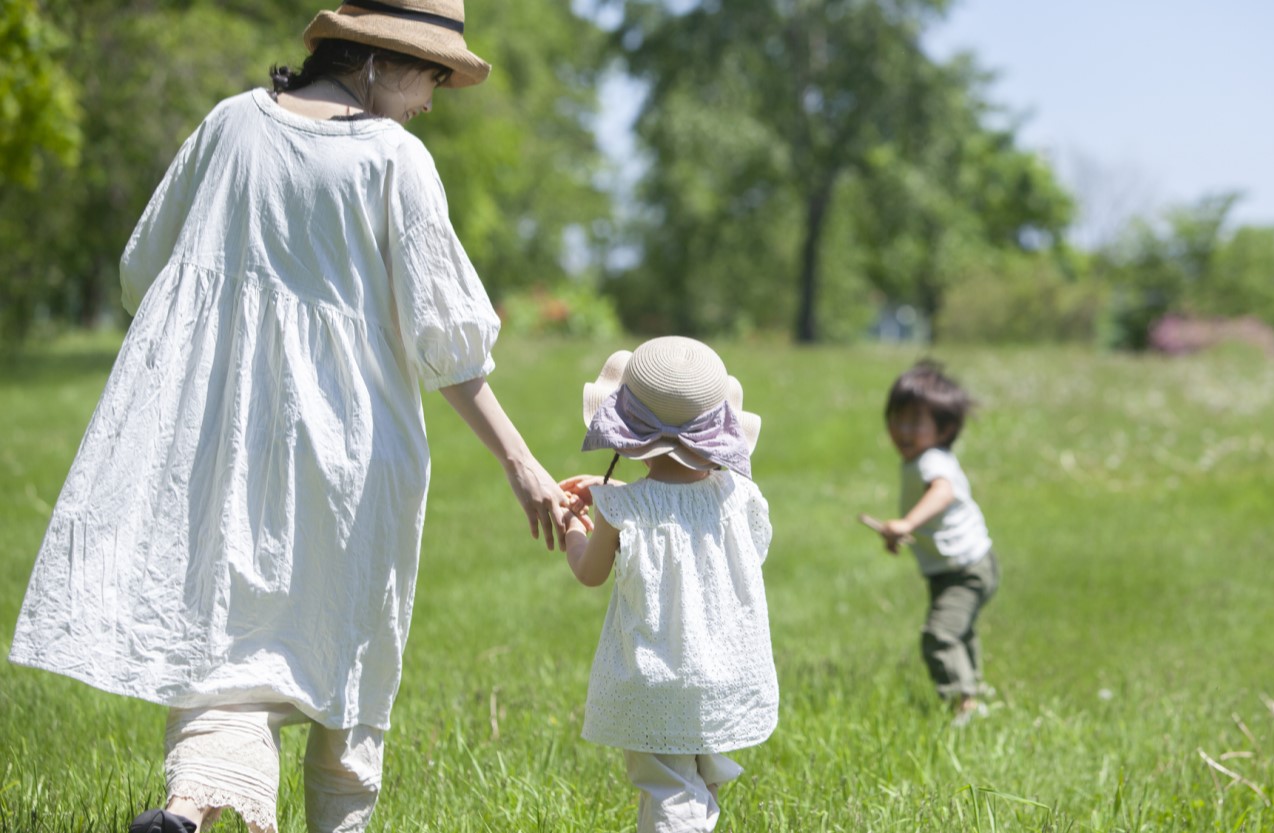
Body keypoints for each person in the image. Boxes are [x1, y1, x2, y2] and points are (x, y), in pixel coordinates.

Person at [7, 3, 579, 832]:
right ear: (381, 59)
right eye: (432, 74)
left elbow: (144, 273)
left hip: (226, 440)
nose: (434, 98)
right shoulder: (395, 160)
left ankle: (189, 809)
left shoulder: (231, 123)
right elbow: (448, 343)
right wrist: (520, 462)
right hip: (355, 452)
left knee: (229, 657)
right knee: (346, 661)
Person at [558, 336, 777, 833]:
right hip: (724, 670)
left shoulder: (622, 510)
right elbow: (732, 543)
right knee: (695, 782)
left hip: (659, 677)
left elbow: (589, 573)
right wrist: (619, 498)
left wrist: (577, 522)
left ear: (629, 433)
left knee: (667, 789)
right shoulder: (739, 496)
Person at [866, 360, 999, 727]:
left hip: (965, 568)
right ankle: (976, 693)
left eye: (914, 422)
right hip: (956, 566)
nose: (902, 430)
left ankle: (963, 704)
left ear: (945, 429)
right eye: (896, 419)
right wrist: (902, 535)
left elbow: (942, 492)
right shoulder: (920, 459)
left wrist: (906, 522)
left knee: (940, 635)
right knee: (960, 630)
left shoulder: (932, 461)